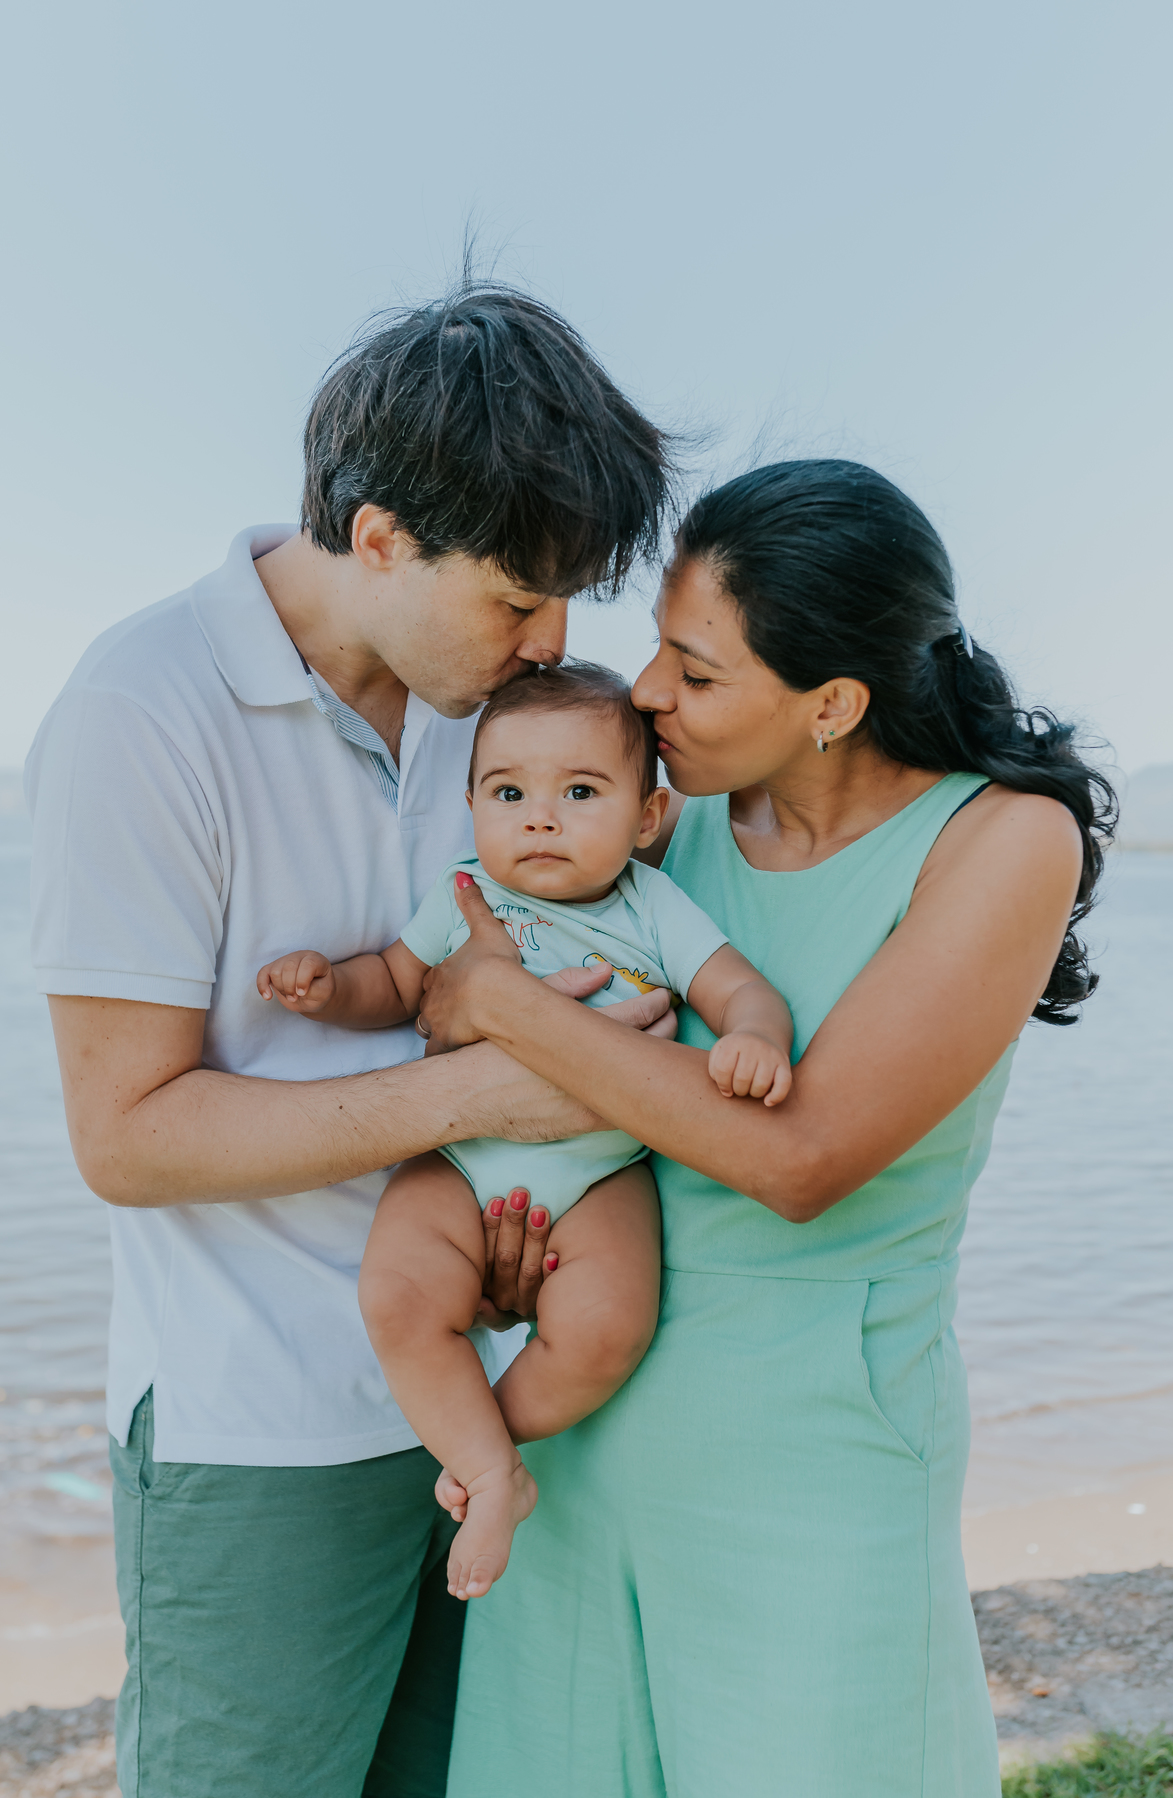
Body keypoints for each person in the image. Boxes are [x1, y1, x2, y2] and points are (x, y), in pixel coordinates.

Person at [24, 285, 674, 1798]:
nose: (551, 644)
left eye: (568, 601)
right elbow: (126, 1135)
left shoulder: (493, 713)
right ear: (380, 537)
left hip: (482, 1398)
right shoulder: (140, 712)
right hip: (257, 1431)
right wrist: (489, 1087)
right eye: (516, 600)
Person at [417, 460, 1117, 1798]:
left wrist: (497, 1001)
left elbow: (801, 1158)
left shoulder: (1003, 841)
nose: (644, 694)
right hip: (573, 1429)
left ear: (831, 705)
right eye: (657, 649)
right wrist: (505, 1235)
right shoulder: (657, 820)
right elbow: (555, 1072)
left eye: (695, 670)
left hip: (815, 1465)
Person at [256, 661, 794, 1602]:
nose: (540, 819)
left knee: (607, 1331)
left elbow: (739, 987)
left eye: (579, 793)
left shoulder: (651, 905)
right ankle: (491, 1470)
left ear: (646, 817)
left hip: (600, 1172)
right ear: (471, 806)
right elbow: (399, 983)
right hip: (459, 1160)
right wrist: (331, 989)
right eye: (509, 794)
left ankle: (486, 1444)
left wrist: (755, 1035)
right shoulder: (466, 893)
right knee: (397, 1298)